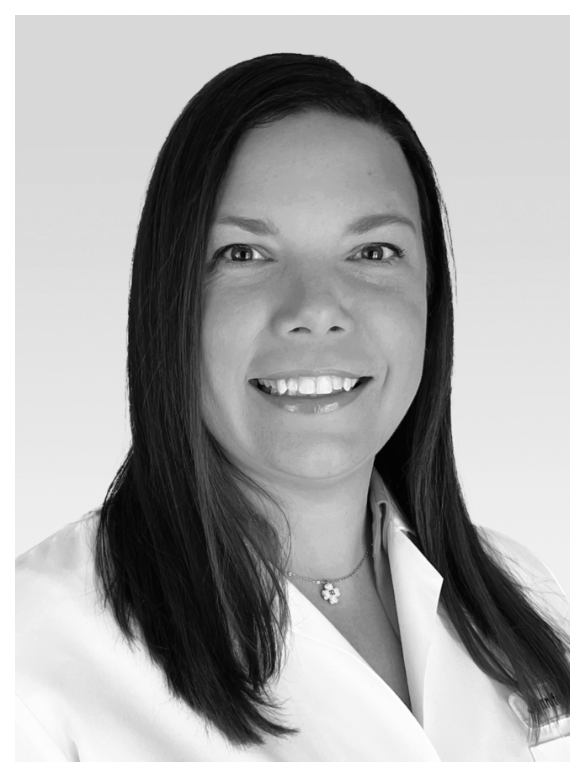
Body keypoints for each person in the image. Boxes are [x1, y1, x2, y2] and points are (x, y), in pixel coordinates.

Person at [16, 52, 569, 762]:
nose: (314, 309)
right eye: (245, 254)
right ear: (170, 298)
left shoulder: (524, 594)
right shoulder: (32, 650)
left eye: (372, 251)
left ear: (431, 300)